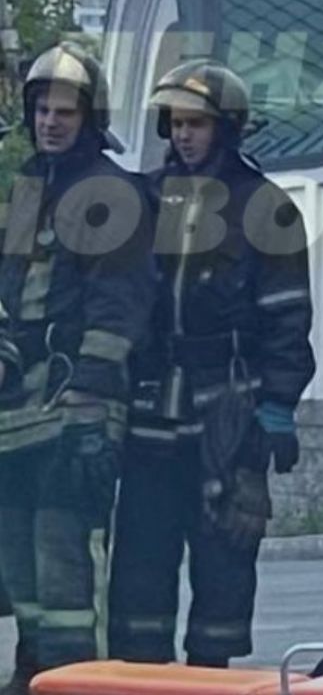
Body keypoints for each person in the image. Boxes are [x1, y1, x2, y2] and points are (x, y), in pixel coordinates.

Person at [107, 59, 315, 667]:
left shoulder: (266, 207)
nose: (183, 135)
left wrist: (276, 410)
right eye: (175, 123)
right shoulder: (146, 199)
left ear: (227, 127)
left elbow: (288, 320)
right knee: (140, 564)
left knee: (223, 566)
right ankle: (140, 680)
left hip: (229, 411)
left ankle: (210, 678)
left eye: (196, 123)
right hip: (151, 407)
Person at [0, 42, 155, 694]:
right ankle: (34, 669)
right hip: (19, 412)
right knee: (19, 560)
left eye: (65, 111)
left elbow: (120, 306)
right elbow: (11, 287)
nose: (51, 122)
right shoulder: (27, 188)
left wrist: (90, 398)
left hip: (77, 406)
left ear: (90, 118)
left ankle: (77, 680)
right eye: (42, 110)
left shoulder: (112, 192)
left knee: (65, 559)